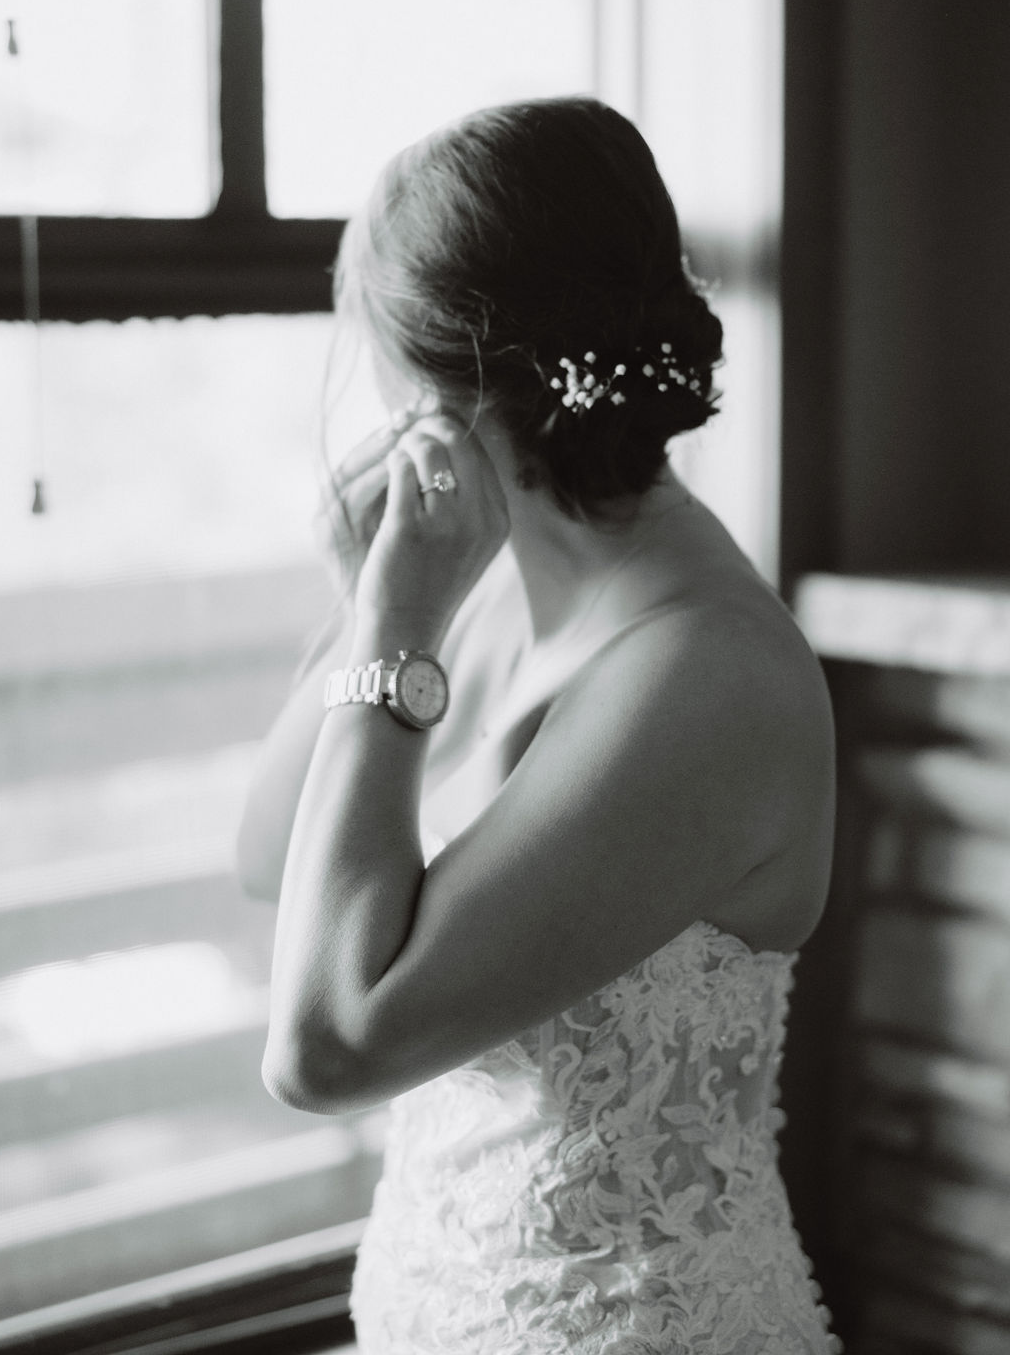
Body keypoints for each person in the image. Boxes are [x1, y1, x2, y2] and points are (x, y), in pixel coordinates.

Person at [236, 96, 840, 1354]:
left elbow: (326, 1046)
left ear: (434, 386)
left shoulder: (706, 674)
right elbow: (265, 854)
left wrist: (399, 625)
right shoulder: (486, 586)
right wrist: (367, 608)